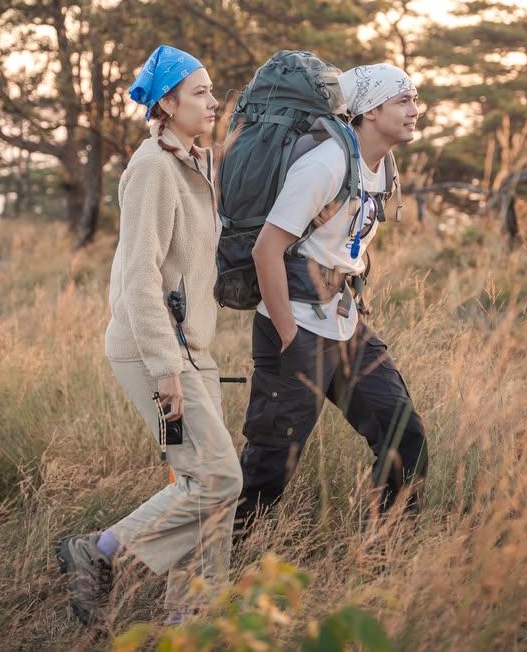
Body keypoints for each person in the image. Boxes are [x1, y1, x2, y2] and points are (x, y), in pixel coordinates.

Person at [56, 44, 242, 627]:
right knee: (217, 477)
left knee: (207, 487)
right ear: (166, 103)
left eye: (213, 91)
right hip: (154, 350)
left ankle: (194, 619)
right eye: (199, 93)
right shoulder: (152, 168)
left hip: (193, 349)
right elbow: (138, 277)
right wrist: (166, 371)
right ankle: (96, 551)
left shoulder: (193, 161)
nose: (213, 102)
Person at [234, 63, 429, 536]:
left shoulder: (381, 167)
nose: (414, 111)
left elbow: (345, 246)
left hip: (342, 325)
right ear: (369, 109)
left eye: (414, 100)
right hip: (295, 325)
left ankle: (386, 552)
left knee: (406, 436)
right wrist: (288, 337)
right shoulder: (327, 163)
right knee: (268, 472)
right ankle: (216, 570)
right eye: (402, 101)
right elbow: (267, 250)